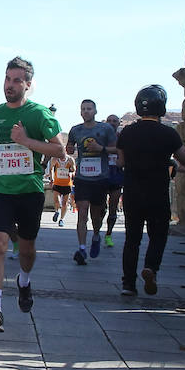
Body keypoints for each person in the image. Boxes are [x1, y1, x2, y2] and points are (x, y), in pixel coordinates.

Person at [0, 58, 64, 332]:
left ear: (27, 85)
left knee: (26, 250)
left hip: (30, 190)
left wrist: (26, 141)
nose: (10, 85)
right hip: (0, 189)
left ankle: (23, 281)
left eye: (16, 81)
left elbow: (59, 151)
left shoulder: (39, 115)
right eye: (7, 79)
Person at [117, 85, 185, 295]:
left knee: (132, 239)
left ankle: (128, 284)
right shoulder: (168, 133)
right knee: (158, 235)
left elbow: (121, 161)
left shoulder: (127, 132)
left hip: (132, 192)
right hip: (157, 192)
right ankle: (151, 267)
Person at [67, 99, 118, 265]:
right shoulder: (75, 130)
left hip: (100, 178)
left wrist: (101, 149)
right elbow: (69, 147)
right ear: (80, 112)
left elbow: (116, 149)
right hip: (82, 178)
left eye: (89, 109)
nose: (86, 111)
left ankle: (96, 235)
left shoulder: (105, 129)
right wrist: (69, 149)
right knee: (82, 212)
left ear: (95, 111)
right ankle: (81, 248)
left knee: (96, 215)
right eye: (83, 109)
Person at [104, 113, 124, 246]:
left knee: (113, 207)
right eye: (109, 121)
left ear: (118, 123)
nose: (111, 123)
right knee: (99, 207)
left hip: (116, 174)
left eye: (114, 121)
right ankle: (96, 231)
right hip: (102, 174)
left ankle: (108, 234)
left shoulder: (122, 138)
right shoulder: (101, 137)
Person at [49, 153, 74, 226]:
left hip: (67, 184)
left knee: (65, 203)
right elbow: (50, 169)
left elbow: (74, 170)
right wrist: (52, 179)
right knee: (57, 201)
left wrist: (71, 172)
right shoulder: (55, 159)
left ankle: (61, 219)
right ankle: (57, 211)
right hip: (57, 183)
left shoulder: (70, 159)